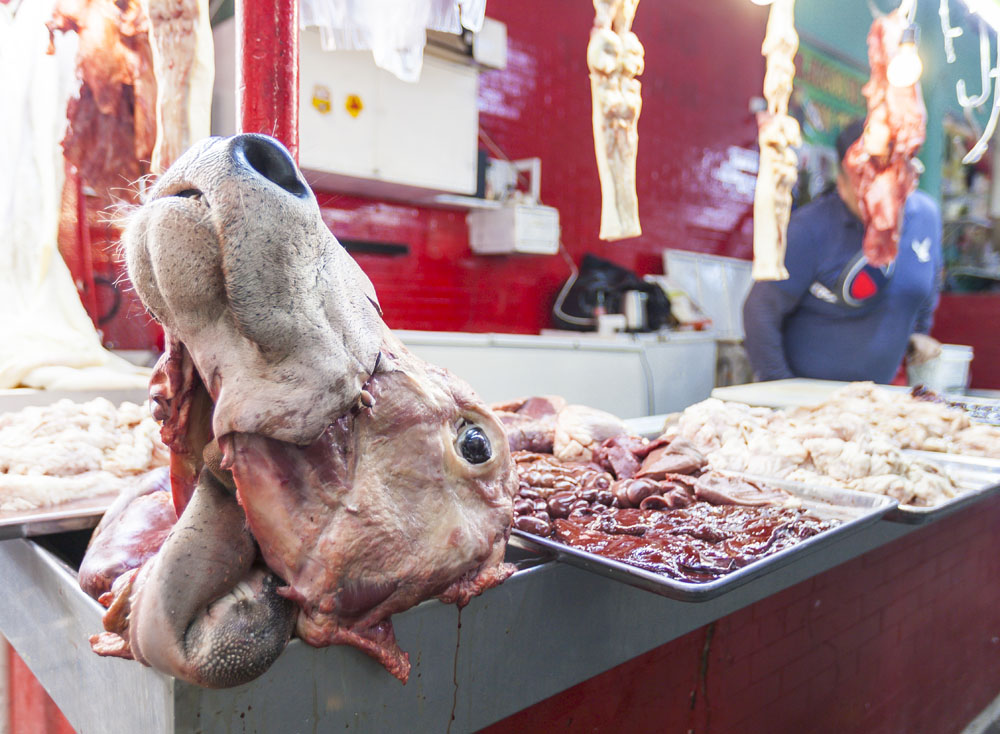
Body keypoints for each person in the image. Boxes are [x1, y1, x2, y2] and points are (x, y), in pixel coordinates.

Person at [743, 119, 943, 383]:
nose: (879, 202)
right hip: (807, 399)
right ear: (842, 184)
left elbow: (928, 282)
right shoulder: (809, 230)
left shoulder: (926, 217)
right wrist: (780, 386)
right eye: (866, 189)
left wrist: (919, 331)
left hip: (879, 397)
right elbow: (759, 311)